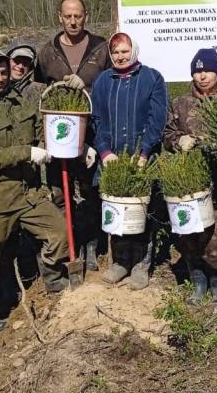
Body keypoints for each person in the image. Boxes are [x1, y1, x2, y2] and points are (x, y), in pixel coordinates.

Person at [0, 46, 71, 333]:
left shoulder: (18, 98)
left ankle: (53, 277)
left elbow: (39, 131)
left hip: (30, 191)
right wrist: (28, 152)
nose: (0, 78)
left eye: (3, 72)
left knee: (59, 233)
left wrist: (70, 145)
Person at [35, 0, 110, 271]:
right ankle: (70, 244)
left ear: (86, 16)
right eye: (68, 16)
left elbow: (110, 89)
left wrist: (88, 88)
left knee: (91, 192)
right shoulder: (47, 52)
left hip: (91, 136)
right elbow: (41, 93)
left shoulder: (101, 48)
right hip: (59, 139)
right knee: (60, 194)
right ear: (60, 17)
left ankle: (91, 245)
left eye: (78, 15)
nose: (73, 21)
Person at [91, 32, 168, 290]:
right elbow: (97, 120)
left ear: (133, 50)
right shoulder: (103, 81)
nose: (120, 57)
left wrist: (144, 152)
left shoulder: (151, 78)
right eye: (115, 53)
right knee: (116, 207)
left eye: (125, 51)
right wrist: (104, 152)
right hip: (113, 157)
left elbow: (156, 120)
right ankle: (120, 261)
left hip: (141, 157)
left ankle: (141, 264)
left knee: (142, 210)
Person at [163, 48, 217, 304]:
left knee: (215, 234)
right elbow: (168, 134)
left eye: (207, 70)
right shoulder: (181, 104)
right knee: (189, 232)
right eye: (197, 71)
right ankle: (198, 279)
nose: (202, 76)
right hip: (188, 182)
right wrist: (178, 139)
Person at [6, 41, 46, 107]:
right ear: (7, 60)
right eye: (17, 61)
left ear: (30, 67)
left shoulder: (38, 91)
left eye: (25, 63)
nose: (20, 66)